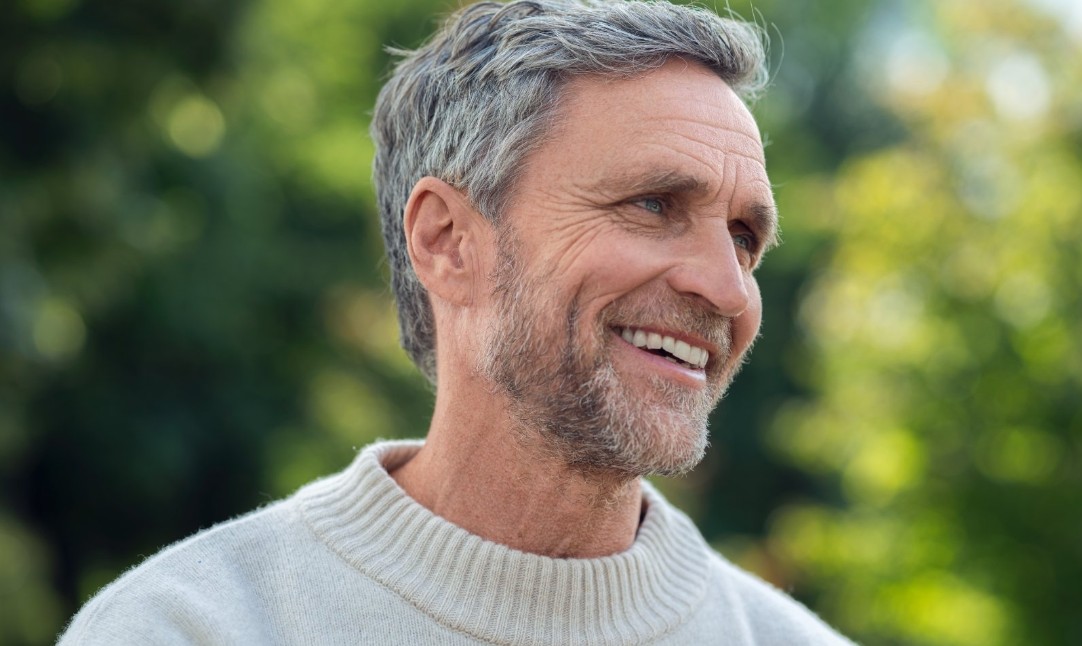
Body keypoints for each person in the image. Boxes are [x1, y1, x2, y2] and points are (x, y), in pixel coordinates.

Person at [59, 1, 854, 643]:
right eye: (652, 205)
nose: (728, 289)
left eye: (745, 238)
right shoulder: (185, 627)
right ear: (446, 242)